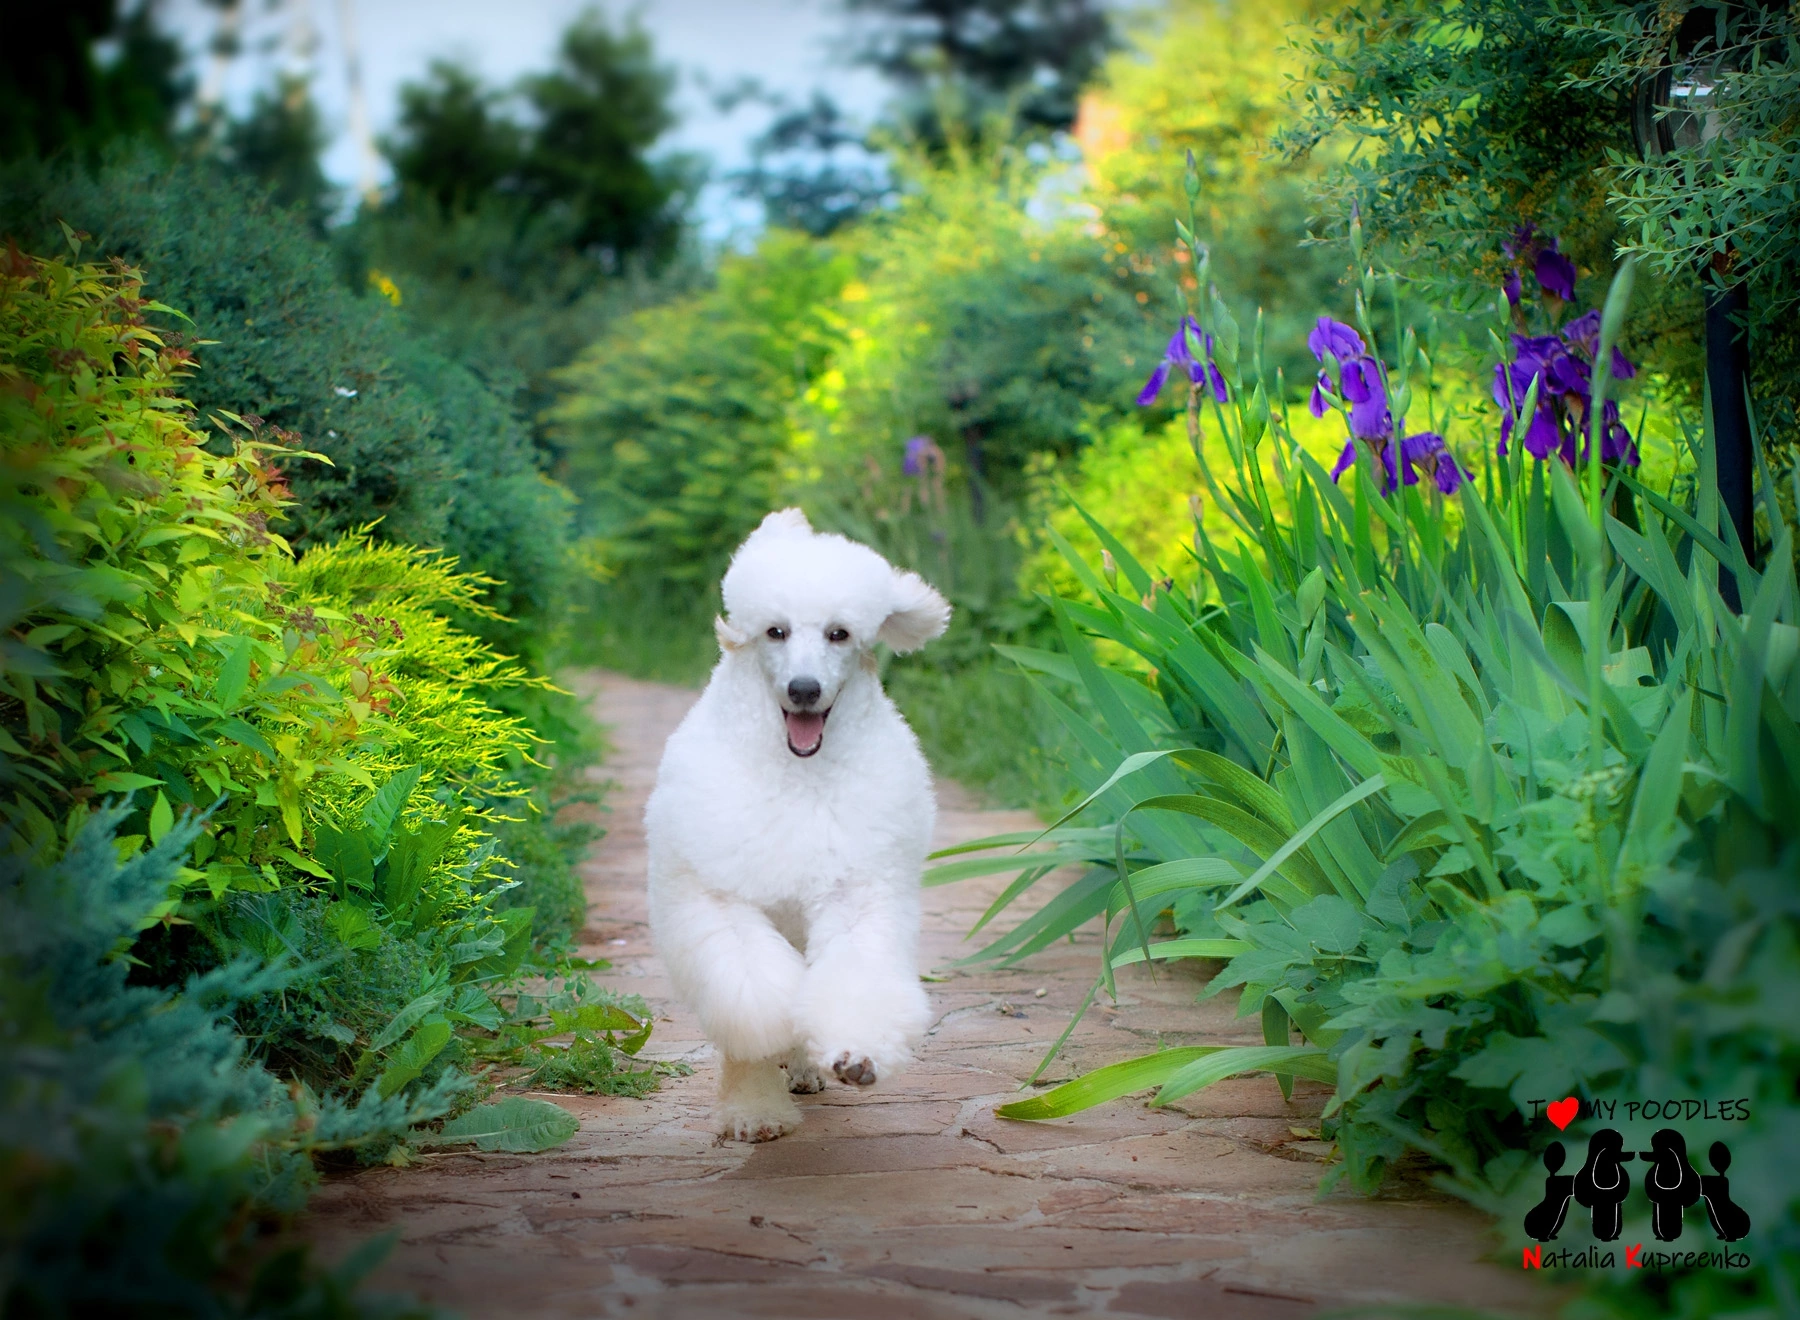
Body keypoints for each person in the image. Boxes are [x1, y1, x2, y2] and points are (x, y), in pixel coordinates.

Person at [1639, 1128, 1701, 1243]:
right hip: (1664, 1203)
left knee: (1668, 1218)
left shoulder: (1683, 1170)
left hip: (1670, 1203)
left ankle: (1667, 1233)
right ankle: (1664, 1233)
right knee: (1663, 1218)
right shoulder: (1658, 1169)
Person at [1573, 1128, 1634, 1241]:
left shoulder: (1607, 1162)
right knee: (1606, 1211)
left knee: (1609, 1211)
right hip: (1604, 1195)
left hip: (1609, 1196)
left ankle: (1609, 1233)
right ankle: (1607, 1233)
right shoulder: (1604, 1158)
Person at [1699, 1141, 1753, 1242]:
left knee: (1720, 1215)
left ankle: (1729, 1233)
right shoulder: (1721, 1181)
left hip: (1738, 1225)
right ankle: (1726, 1233)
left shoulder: (1718, 1182)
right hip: (1735, 1221)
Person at [1522, 1142, 1576, 1242]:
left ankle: (1548, 1233)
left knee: (1558, 1213)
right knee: (1555, 1213)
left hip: (1538, 1223)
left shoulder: (1553, 1181)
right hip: (1535, 1227)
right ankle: (1544, 1233)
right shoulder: (1555, 1183)